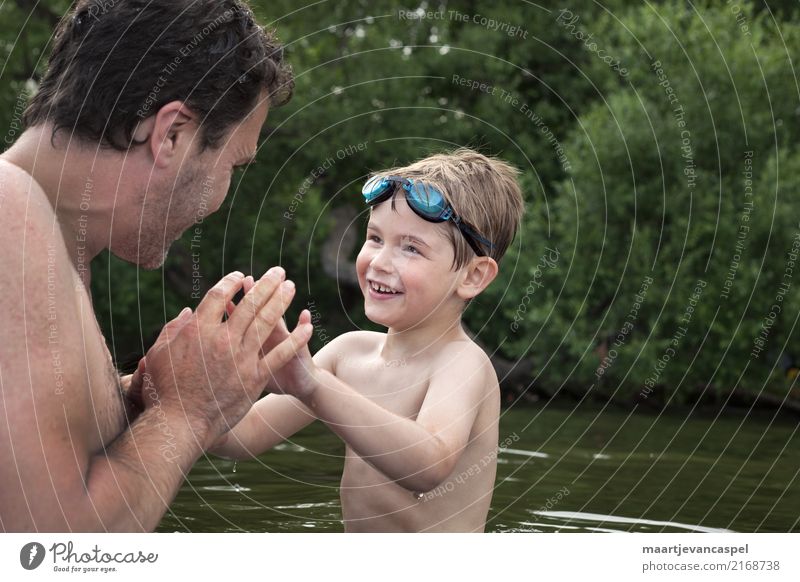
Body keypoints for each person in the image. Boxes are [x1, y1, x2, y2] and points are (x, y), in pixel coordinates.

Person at [0, 0, 311, 532]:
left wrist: (143, 400)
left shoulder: (51, 242)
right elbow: (50, 547)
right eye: (234, 164)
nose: (221, 198)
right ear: (171, 134)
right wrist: (186, 413)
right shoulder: (8, 210)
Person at [211, 149, 525, 532]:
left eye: (411, 248)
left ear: (473, 277)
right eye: (375, 238)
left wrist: (314, 385)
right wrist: (169, 392)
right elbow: (244, 437)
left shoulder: (461, 364)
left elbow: (428, 465)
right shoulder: (347, 354)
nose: (378, 261)